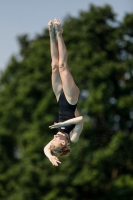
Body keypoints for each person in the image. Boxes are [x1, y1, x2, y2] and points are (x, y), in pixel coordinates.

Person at [44, 18, 84, 166]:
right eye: (56, 139)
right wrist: (61, 123)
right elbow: (80, 120)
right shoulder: (73, 138)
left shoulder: (57, 136)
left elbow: (45, 149)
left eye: (53, 138)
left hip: (59, 98)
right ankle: (60, 33)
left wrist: (50, 157)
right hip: (71, 99)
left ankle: (51, 34)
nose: (54, 136)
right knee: (62, 66)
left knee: (54, 66)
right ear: (63, 144)